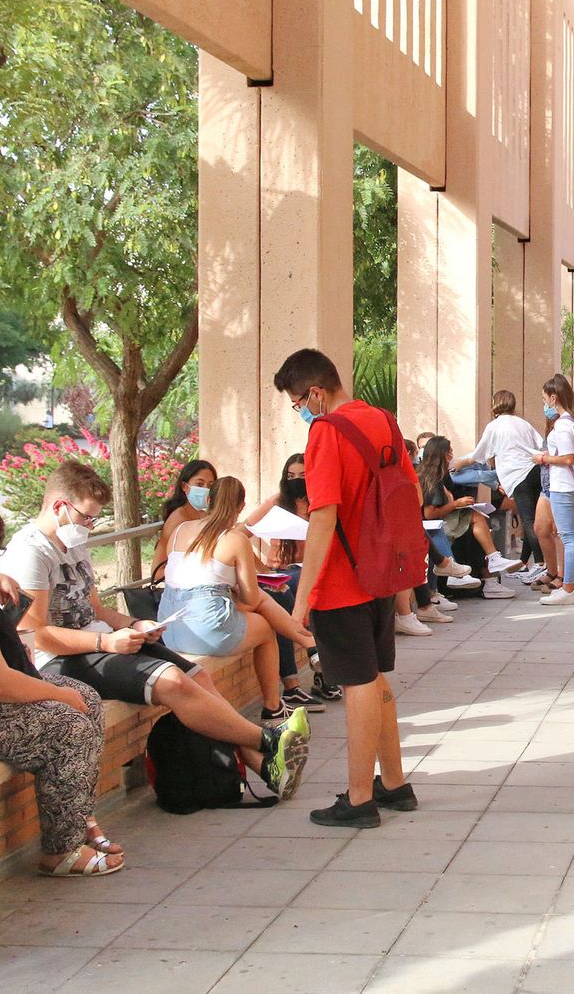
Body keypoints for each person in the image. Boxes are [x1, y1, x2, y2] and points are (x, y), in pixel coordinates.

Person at [1, 462, 311, 794]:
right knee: (173, 682)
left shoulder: (74, 543)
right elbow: (36, 635)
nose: (89, 526)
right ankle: (268, 741)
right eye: (86, 518)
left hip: (100, 641)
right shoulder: (30, 553)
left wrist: (135, 624)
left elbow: (97, 609)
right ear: (59, 506)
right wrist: (106, 642)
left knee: (197, 677)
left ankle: (265, 766)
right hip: (58, 660)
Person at [0, 499, 125, 877]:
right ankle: (62, 851)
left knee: (86, 697)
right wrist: (58, 695)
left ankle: (80, 816)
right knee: (68, 725)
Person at [275, 348, 420, 828]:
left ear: (316, 393)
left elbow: (323, 517)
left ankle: (359, 799)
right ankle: (394, 783)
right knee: (375, 678)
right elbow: (411, 492)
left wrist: (300, 601)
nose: (301, 410)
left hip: (341, 579)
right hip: (380, 571)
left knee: (356, 682)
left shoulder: (326, 431)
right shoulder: (383, 420)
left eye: (299, 402)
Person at [158, 476, 322, 714]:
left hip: (169, 627)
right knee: (265, 626)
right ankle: (274, 704)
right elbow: (251, 599)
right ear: (241, 507)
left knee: (261, 600)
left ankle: (309, 644)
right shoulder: (235, 538)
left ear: (209, 500)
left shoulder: (180, 530)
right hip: (206, 627)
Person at [240, 453, 333, 706]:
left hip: (311, 572)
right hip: (280, 572)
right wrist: (262, 569)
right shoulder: (277, 502)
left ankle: (313, 674)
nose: (296, 481)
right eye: (291, 476)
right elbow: (238, 534)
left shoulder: (321, 503)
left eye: (302, 475)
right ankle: (302, 676)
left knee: (301, 593)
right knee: (283, 593)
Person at [455, 390, 548, 584]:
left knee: (528, 520)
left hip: (518, 475)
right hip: (535, 471)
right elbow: (541, 445)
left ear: (495, 404)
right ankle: (525, 562)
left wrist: (460, 463)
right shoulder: (523, 423)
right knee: (530, 519)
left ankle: (541, 564)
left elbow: (478, 455)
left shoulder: (494, 426)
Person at [419, 434, 523, 579]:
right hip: (434, 525)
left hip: (442, 520)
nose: (452, 455)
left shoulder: (440, 475)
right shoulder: (433, 479)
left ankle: (490, 564)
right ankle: (492, 560)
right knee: (475, 518)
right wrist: (456, 504)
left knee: (477, 522)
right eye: (450, 451)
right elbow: (429, 513)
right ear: (444, 454)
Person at [532, 374, 574, 604]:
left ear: (554, 398)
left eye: (545, 399)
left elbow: (568, 458)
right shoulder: (573, 421)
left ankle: (568, 589)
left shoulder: (564, 424)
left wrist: (544, 458)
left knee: (569, 538)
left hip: (563, 486)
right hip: (571, 486)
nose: (545, 403)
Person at [150, 460, 218, 582]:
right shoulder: (178, 518)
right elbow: (158, 572)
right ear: (185, 487)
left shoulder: (204, 515)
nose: (206, 490)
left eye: (210, 486)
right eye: (200, 484)